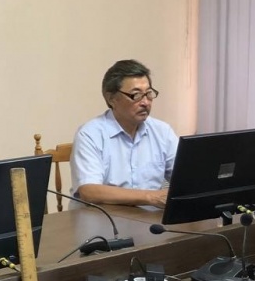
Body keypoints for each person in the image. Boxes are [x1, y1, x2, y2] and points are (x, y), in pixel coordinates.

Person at [69, 59, 177, 208]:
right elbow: (89, 191)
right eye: (136, 95)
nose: (145, 102)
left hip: (150, 219)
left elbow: (185, 177)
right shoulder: (90, 134)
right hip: (103, 218)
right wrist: (150, 197)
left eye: (148, 94)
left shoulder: (162, 131)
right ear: (111, 98)